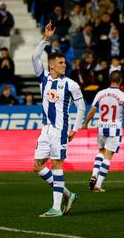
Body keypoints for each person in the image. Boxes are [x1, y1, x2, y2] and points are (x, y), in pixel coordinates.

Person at [32, 21, 86, 218]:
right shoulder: (44, 78)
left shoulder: (71, 84)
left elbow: (81, 107)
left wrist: (75, 129)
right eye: (60, 63)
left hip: (61, 131)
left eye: (65, 62)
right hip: (45, 130)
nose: (64, 65)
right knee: (37, 167)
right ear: (51, 65)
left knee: (56, 165)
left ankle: (56, 208)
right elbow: (34, 57)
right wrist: (45, 39)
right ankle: (67, 194)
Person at [82, 70, 124, 192]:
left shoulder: (100, 93)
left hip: (101, 127)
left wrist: (85, 123)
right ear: (120, 81)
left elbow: (92, 111)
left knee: (101, 151)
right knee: (108, 156)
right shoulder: (123, 96)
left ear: (110, 80)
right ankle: (98, 185)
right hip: (114, 129)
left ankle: (94, 174)